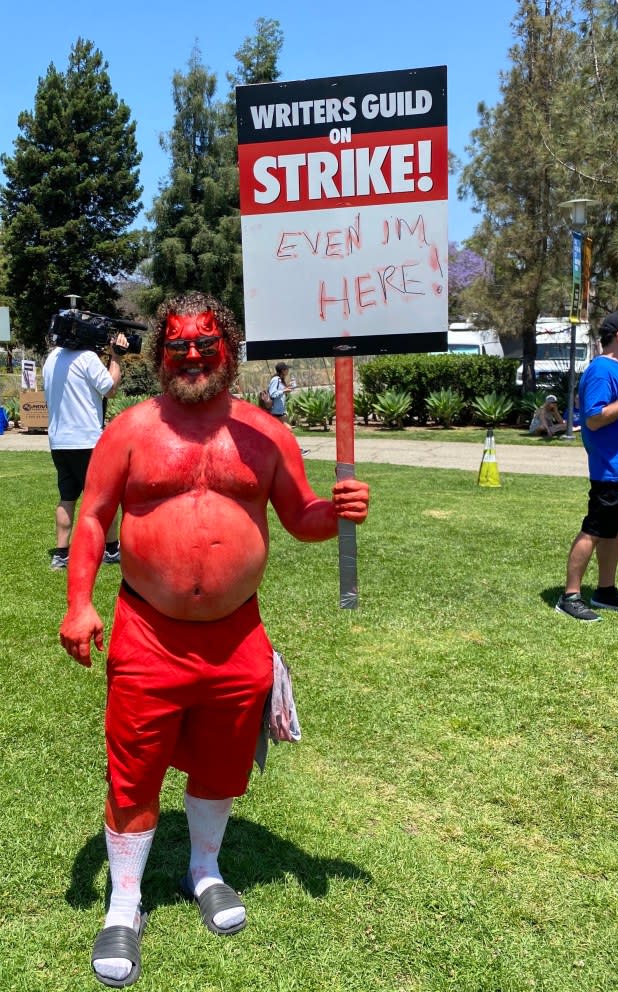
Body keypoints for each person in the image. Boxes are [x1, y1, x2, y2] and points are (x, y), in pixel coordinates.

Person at [59, 293, 370, 987]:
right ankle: (125, 901)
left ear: (229, 350)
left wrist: (337, 510)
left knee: (223, 766)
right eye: (178, 345)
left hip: (237, 640)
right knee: (133, 769)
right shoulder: (131, 430)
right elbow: (91, 520)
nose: (192, 356)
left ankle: (205, 869)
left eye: (206, 344)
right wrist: (79, 603)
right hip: (148, 636)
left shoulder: (266, 433)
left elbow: (300, 518)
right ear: (160, 354)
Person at [556, 308, 618, 621]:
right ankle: (570, 596)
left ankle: (605, 591)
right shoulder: (601, 370)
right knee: (594, 531)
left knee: (615, 532)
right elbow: (595, 418)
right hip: (610, 470)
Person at [42, 321, 127, 570]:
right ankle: (111, 549)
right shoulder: (87, 358)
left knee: (67, 497)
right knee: (104, 497)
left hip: (59, 441)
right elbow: (110, 388)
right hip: (87, 440)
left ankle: (61, 554)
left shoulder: (52, 358)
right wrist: (116, 358)